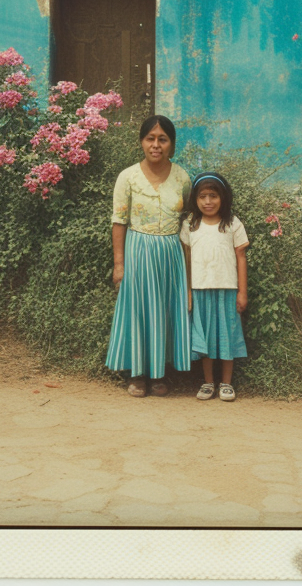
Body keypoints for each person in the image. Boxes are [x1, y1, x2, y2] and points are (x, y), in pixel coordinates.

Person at [105, 115, 192, 397]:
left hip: (170, 254)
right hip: (138, 251)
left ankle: (160, 373)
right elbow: (119, 221)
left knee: (165, 311)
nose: (156, 145)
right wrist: (120, 264)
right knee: (139, 311)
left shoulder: (182, 177)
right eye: (150, 139)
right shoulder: (127, 177)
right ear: (142, 142)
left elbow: (188, 219)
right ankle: (137, 374)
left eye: (163, 139)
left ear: (172, 144)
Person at [179, 172, 249, 401]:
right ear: (195, 200)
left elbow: (241, 257)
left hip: (227, 290)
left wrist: (242, 292)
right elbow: (186, 260)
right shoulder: (191, 224)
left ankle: (226, 383)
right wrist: (187, 291)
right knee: (205, 338)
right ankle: (208, 382)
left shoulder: (231, 223)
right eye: (202, 196)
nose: (208, 201)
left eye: (213, 196)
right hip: (200, 290)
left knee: (227, 335)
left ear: (223, 197)